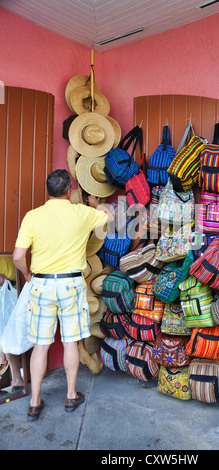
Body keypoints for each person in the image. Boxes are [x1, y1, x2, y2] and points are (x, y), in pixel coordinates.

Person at [13, 169, 113, 421]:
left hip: (41, 284)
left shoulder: (32, 216)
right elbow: (109, 215)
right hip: (71, 285)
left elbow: (17, 257)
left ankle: (34, 402)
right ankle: (70, 396)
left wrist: (27, 275)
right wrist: (96, 203)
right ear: (70, 191)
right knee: (70, 342)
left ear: (49, 191)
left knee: (40, 345)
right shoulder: (82, 213)